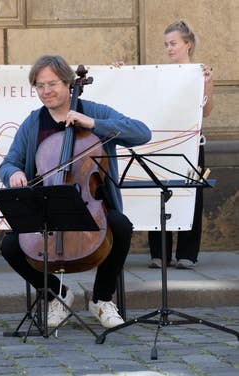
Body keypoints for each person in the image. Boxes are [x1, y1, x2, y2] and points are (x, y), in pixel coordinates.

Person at [0, 55, 151, 328]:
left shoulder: (94, 111)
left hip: (90, 208)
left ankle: (102, 299)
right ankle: (58, 294)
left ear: (68, 83)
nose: (46, 91)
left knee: (122, 227)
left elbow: (142, 133)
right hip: (48, 208)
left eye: (52, 84)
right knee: (10, 246)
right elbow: (9, 162)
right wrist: (15, 173)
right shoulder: (33, 123)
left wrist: (93, 124)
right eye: (40, 86)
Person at [114, 20, 213, 270]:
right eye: (166, 44)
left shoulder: (198, 73)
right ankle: (159, 253)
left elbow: (207, 111)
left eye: (173, 43)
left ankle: (187, 253)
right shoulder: (161, 73)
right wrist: (122, 73)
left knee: (191, 194)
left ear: (187, 44)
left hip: (190, 143)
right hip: (161, 145)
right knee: (159, 192)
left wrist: (208, 83)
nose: (169, 48)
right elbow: (140, 88)